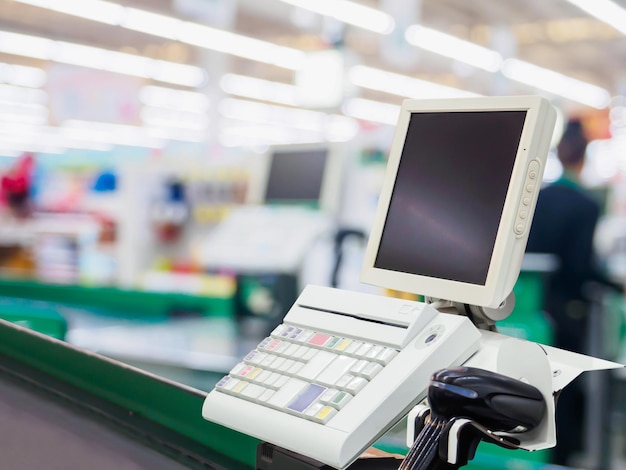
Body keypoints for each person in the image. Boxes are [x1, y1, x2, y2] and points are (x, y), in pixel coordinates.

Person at [526, 118, 623, 466]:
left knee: (532, 385)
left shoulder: (536, 198)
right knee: (566, 389)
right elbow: (581, 268)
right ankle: (561, 457)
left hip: (528, 307)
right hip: (568, 313)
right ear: (584, 157)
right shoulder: (585, 205)